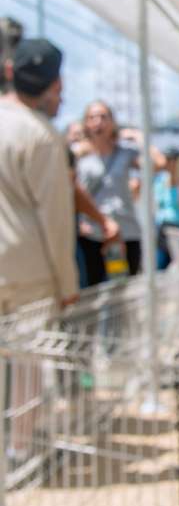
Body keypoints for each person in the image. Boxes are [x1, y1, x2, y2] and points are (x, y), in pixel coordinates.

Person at [0, 38, 78, 310]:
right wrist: (68, 284)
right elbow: (56, 218)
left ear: (10, 70)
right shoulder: (41, 135)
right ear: (56, 84)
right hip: (29, 278)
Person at [76, 101, 166, 284]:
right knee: (92, 288)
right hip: (92, 234)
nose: (98, 122)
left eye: (103, 116)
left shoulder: (125, 152)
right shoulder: (78, 155)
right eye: (92, 117)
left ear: (112, 122)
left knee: (123, 286)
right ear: (85, 123)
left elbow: (159, 163)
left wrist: (139, 136)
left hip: (125, 233)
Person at [154, 148, 179, 268]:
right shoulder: (160, 180)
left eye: (170, 160)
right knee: (160, 264)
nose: (167, 163)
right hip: (163, 228)